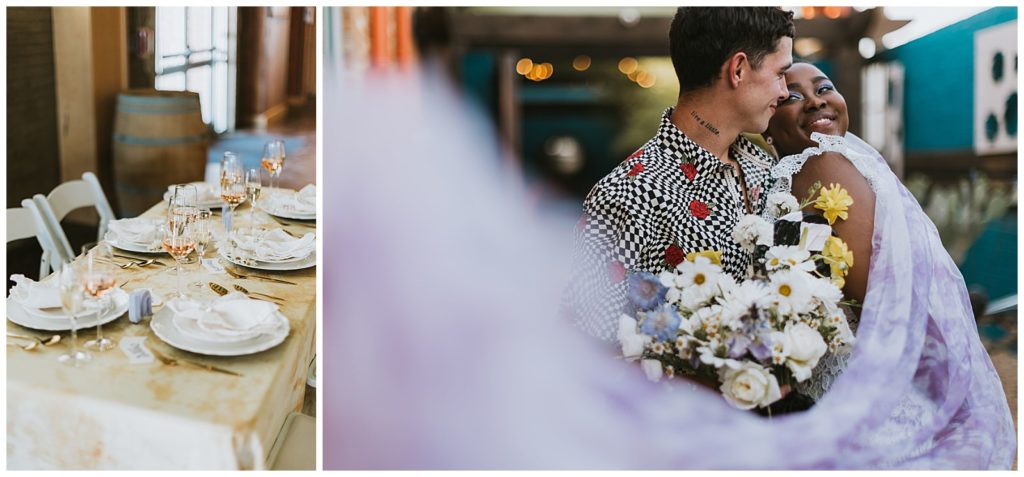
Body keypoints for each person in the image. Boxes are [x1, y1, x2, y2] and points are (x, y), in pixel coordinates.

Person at [565, 7, 794, 342]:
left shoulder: (769, 169)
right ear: (739, 69)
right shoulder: (626, 194)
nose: (785, 91)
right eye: (780, 74)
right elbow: (588, 344)